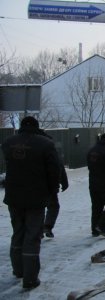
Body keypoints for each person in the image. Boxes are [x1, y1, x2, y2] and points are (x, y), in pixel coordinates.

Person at [1, 116, 60, 289]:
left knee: (17, 232)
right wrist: (52, 192)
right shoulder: (45, 144)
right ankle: (30, 278)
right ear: (36, 126)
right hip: (36, 198)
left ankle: (18, 270)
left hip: (13, 197)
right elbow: (53, 171)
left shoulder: (8, 142)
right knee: (32, 236)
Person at [37, 130, 69, 239]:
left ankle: (40, 229)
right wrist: (64, 182)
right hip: (49, 185)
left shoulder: (30, 148)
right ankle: (47, 226)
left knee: (37, 208)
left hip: (34, 186)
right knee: (53, 206)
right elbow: (58, 166)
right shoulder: (50, 148)